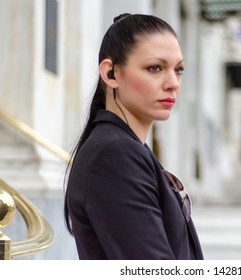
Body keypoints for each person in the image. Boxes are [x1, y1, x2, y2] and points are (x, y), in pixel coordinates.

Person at [64, 13, 203, 260]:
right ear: (111, 74)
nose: (173, 83)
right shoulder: (114, 156)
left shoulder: (124, 148)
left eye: (178, 69)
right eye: (155, 68)